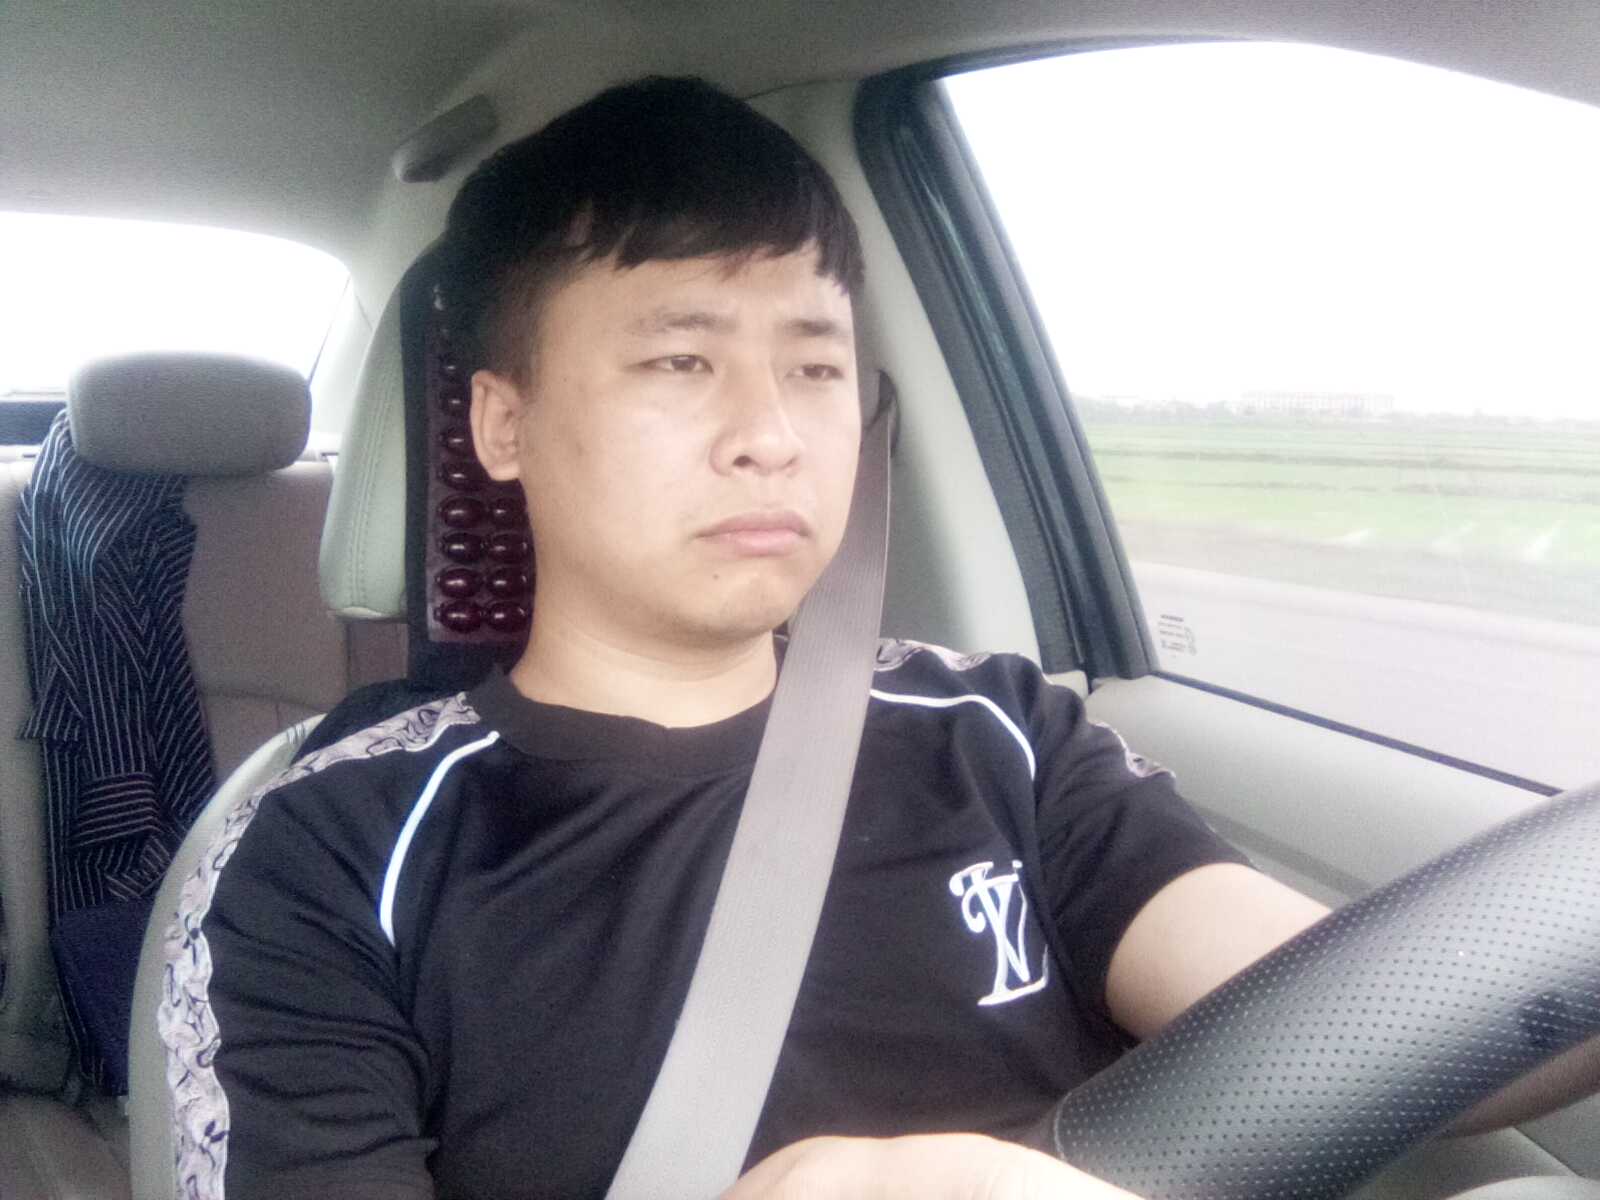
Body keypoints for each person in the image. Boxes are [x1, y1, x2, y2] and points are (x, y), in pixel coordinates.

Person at [157, 76, 1596, 1200]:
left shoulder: (1002, 735)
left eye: (816, 366)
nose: (770, 436)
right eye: (681, 360)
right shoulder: (325, 852)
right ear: (502, 423)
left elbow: (1374, 1024)